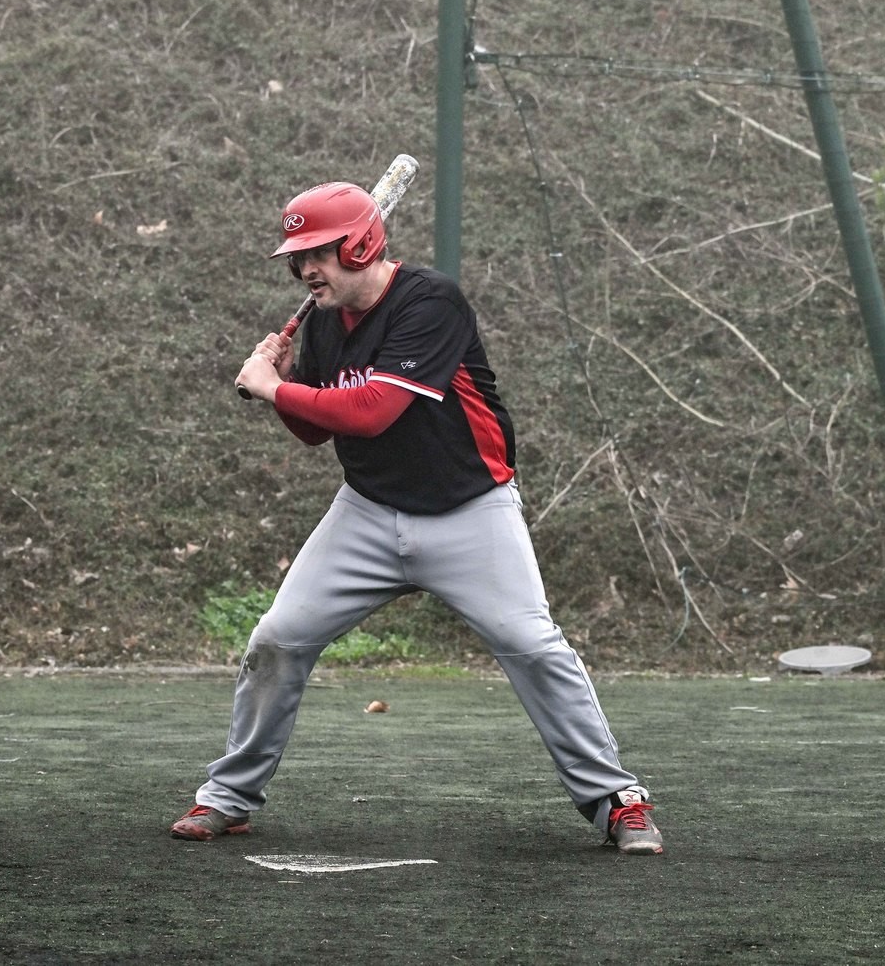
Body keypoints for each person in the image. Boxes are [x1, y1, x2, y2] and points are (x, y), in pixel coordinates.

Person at [171, 180, 664, 854]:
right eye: (297, 257)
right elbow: (317, 433)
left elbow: (373, 410)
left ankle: (617, 799)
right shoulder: (319, 324)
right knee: (278, 637)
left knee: (533, 646)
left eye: (319, 252)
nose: (306, 269)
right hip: (368, 511)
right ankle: (228, 796)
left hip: (471, 510)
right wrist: (284, 387)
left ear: (363, 242)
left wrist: (274, 387)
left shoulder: (430, 302)